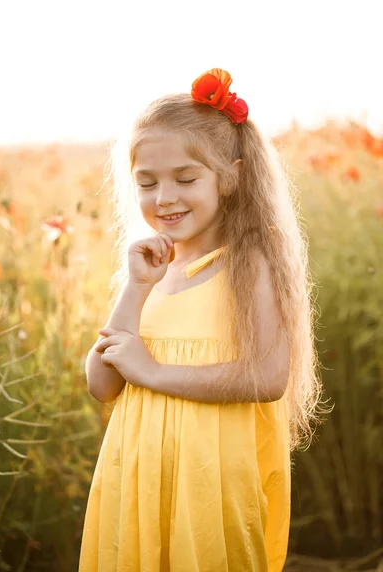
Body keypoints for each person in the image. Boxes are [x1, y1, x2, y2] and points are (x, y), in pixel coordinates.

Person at [78, 68, 325, 572]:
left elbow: (268, 376)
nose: (164, 197)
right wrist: (135, 287)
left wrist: (153, 373)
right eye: (146, 183)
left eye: (185, 179)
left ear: (230, 176)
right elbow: (102, 383)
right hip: (141, 481)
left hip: (211, 486)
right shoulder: (151, 272)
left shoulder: (250, 263)